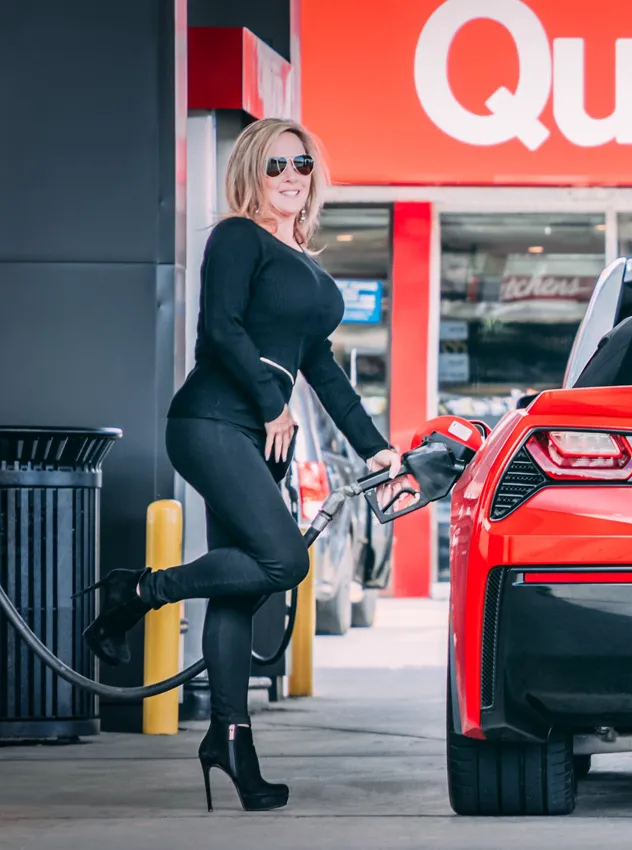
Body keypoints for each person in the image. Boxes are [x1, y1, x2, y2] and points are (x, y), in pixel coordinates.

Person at [80, 118, 406, 813]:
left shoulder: (310, 271)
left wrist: (376, 445)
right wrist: (269, 404)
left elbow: (322, 370)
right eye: (276, 165)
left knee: (242, 588)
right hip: (211, 424)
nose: (291, 176)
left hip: (259, 438)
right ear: (252, 173)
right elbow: (219, 328)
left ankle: (230, 739)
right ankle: (138, 592)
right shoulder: (236, 237)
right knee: (285, 563)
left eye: (303, 165)